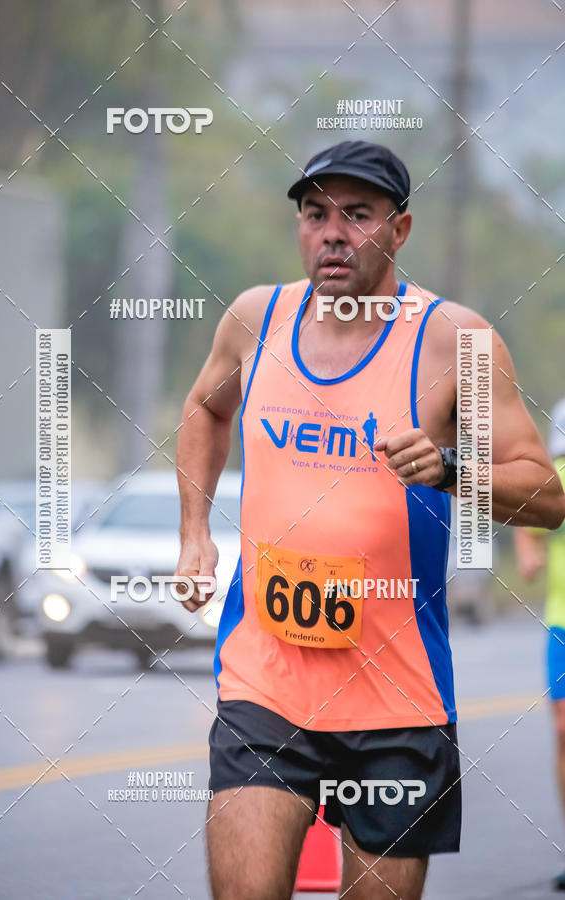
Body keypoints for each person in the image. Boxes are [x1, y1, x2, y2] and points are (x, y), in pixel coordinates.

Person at [174, 139, 565, 900]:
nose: (333, 233)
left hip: (398, 700)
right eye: (316, 214)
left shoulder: (456, 343)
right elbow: (203, 410)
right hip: (267, 683)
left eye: (357, 215)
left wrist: (452, 470)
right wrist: (194, 536)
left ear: (401, 229)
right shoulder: (257, 319)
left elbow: (548, 496)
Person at [514, 397, 565, 892]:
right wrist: (529, 556)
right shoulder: (560, 478)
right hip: (562, 625)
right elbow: (530, 522)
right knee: (564, 728)